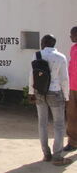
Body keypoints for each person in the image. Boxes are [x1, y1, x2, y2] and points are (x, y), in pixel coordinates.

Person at [28, 34, 71, 166]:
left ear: (46, 42)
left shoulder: (37, 55)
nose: (41, 43)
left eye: (42, 41)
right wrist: (67, 96)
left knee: (42, 123)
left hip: (39, 92)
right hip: (55, 92)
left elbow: (32, 75)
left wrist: (31, 92)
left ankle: (46, 154)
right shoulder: (60, 57)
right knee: (58, 124)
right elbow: (64, 79)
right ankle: (57, 157)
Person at [64, 26, 77, 151]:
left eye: (72, 34)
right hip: (73, 87)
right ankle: (72, 143)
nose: (70, 37)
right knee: (72, 115)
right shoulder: (73, 48)